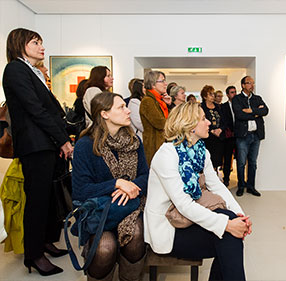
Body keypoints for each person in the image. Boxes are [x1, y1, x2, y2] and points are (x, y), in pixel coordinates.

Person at [144, 101, 251, 281]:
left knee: (231, 230)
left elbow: (216, 186)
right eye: (203, 119)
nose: (209, 122)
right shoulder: (167, 154)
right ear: (190, 126)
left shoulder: (201, 151)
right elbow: (183, 204)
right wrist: (227, 224)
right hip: (169, 227)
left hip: (186, 218)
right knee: (229, 235)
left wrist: (240, 215)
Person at [3, 28, 73, 276]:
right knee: (37, 201)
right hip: (35, 145)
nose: (42, 47)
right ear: (20, 44)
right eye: (36, 42)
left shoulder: (33, 71)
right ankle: (33, 255)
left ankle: (44, 242)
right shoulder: (15, 69)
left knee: (49, 199)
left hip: (46, 143)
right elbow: (35, 109)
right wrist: (63, 139)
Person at [72, 92, 148, 281]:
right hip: (101, 212)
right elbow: (81, 190)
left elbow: (146, 177)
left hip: (131, 207)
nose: (128, 110)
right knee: (105, 248)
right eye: (121, 107)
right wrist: (116, 183)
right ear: (104, 114)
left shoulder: (134, 141)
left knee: (136, 237)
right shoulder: (84, 145)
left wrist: (129, 186)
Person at [233, 76, 269, 197]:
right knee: (241, 163)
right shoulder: (237, 99)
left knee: (253, 162)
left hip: (256, 135)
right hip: (242, 136)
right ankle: (241, 186)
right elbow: (239, 115)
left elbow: (265, 111)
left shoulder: (257, 98)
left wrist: (250, 110)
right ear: (243, 85)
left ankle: (251, 186)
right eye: (249, 83)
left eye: (253, 83)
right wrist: (256, 113)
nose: (251, 85)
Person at [139, 70, 171, 166]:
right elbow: (161, 124)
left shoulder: (158, 101)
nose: (166, 84)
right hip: (154, 146)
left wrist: (168, 105)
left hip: (161, 144)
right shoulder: (148, 101)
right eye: (162, 81)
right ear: (153, 84)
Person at [200, 85, 225, 171]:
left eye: (213, 94)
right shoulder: (201, 107)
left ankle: (215, 176)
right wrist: (212, 130)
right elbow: (200, 121)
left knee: (217, 160)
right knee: (207, 160)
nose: (213, 96)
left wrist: (220, 129)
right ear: (204, 96)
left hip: (219, 137)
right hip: (207, 138)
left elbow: (224, 121)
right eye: (210, 94)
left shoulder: (218, 107)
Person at [220, 86, 237, 186]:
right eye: (231, 92)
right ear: (227, 95)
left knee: (241, 160)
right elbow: (224, 121)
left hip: (240, 135)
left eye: (235, 92)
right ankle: (226, 178)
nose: (234, 94)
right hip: (229, 136)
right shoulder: (224, 106)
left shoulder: (240, 105)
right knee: (227, 158)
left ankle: (242, 181)